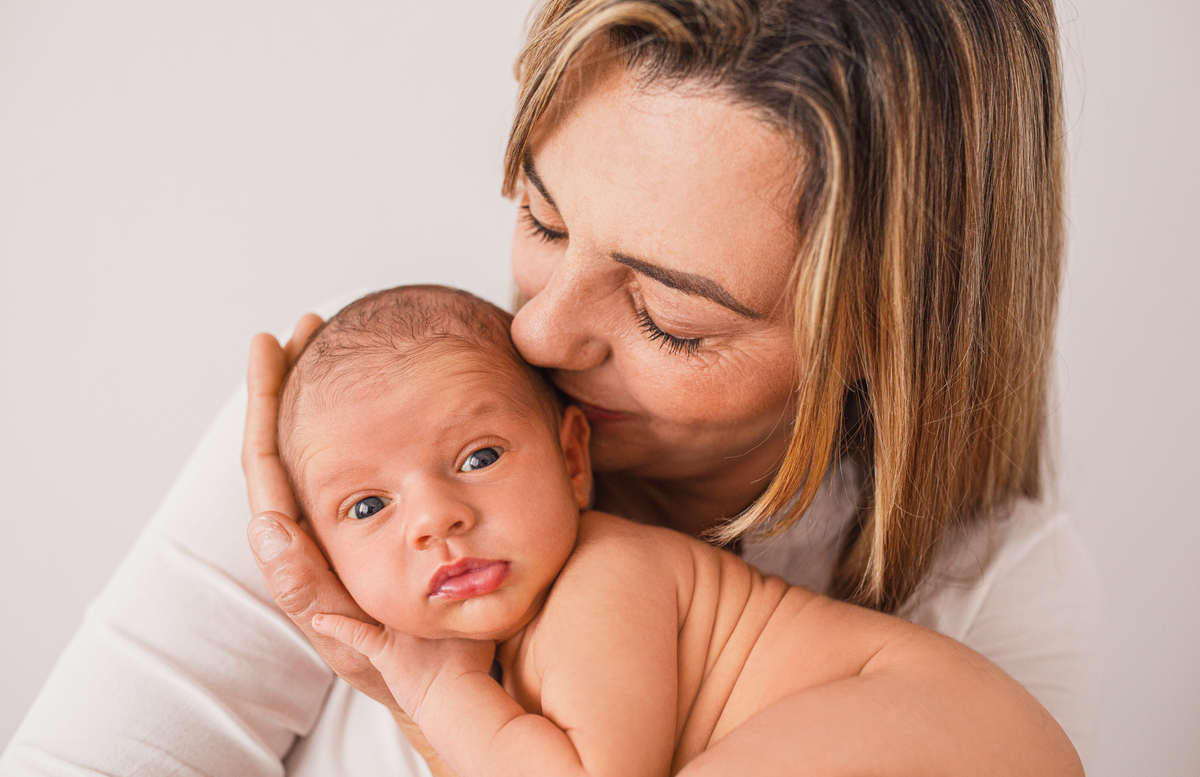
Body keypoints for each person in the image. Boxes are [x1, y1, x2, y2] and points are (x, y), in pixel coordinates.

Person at [0, 0, 1102, 775]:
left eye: (669, 315)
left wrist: (415, 679)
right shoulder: (375, 412)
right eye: (542, 219)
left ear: (884, 334)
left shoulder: (987, 588)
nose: (537, 329)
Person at [279, 284, 1080, 776]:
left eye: (479, 455)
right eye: (366, 507)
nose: (435, 518)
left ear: (572, 458)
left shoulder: (605, 575)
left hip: (937, 719)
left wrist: (429, 687)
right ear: (315, 544)